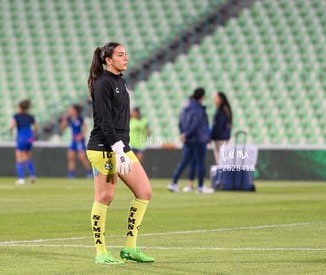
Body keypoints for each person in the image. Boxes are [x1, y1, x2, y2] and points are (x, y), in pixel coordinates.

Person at [86, 42, 154, 265]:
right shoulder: (103, 83)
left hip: (122, 148)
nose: (126, 58)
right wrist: (117, 150)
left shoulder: (120, 82)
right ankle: (101, 252)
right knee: (105, 197)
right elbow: (105, 123)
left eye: (126, 54)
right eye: (121, 55)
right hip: (103, 148)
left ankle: (130, 248)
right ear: (108, 60)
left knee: (144, 192)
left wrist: (123, 150)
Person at [167, 88, 213, 194]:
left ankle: (173, 183)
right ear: (202, 97)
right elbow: (196, 124)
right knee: (200, 162)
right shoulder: (198, 108)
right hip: (198, 138)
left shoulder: (185, 106)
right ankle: (200, 187)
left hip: (188, 139)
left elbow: (180, 122)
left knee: (184, 161)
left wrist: (183, 134)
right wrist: (187, 134)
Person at [9, 99, 38, 185]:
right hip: (30, 138)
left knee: (19, 158)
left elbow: (12, 126)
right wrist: (33, 134)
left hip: (21, 138)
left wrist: (11, 132)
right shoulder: (30, 117)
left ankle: (21, 179)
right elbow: (36, 127)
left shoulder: (16, 116)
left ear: (20, 107)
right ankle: (32, 175)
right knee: (27, 157)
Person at [60, 104, 93, 178]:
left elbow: (85, 127)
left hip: (80, 141)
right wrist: (64, 118)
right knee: (70, 157)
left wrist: (81, 135)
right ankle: (71, 174)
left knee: (82, 157)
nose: (70, 111)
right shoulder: (69, 118)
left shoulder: (80, 118)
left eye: (71, 109)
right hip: (73, 141)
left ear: (75, 110)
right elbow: (62, 127)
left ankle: (89, 172)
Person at [211, 92, 232, 164]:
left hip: (220, 138)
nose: (214, 99)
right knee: (222, 160)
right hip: (222, 137)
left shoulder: (222, 110)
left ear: (221, 99)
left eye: (216, 98)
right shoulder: (223, 109)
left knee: (221, 160)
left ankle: (222, 175)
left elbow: (219, 126)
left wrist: (212, 136)